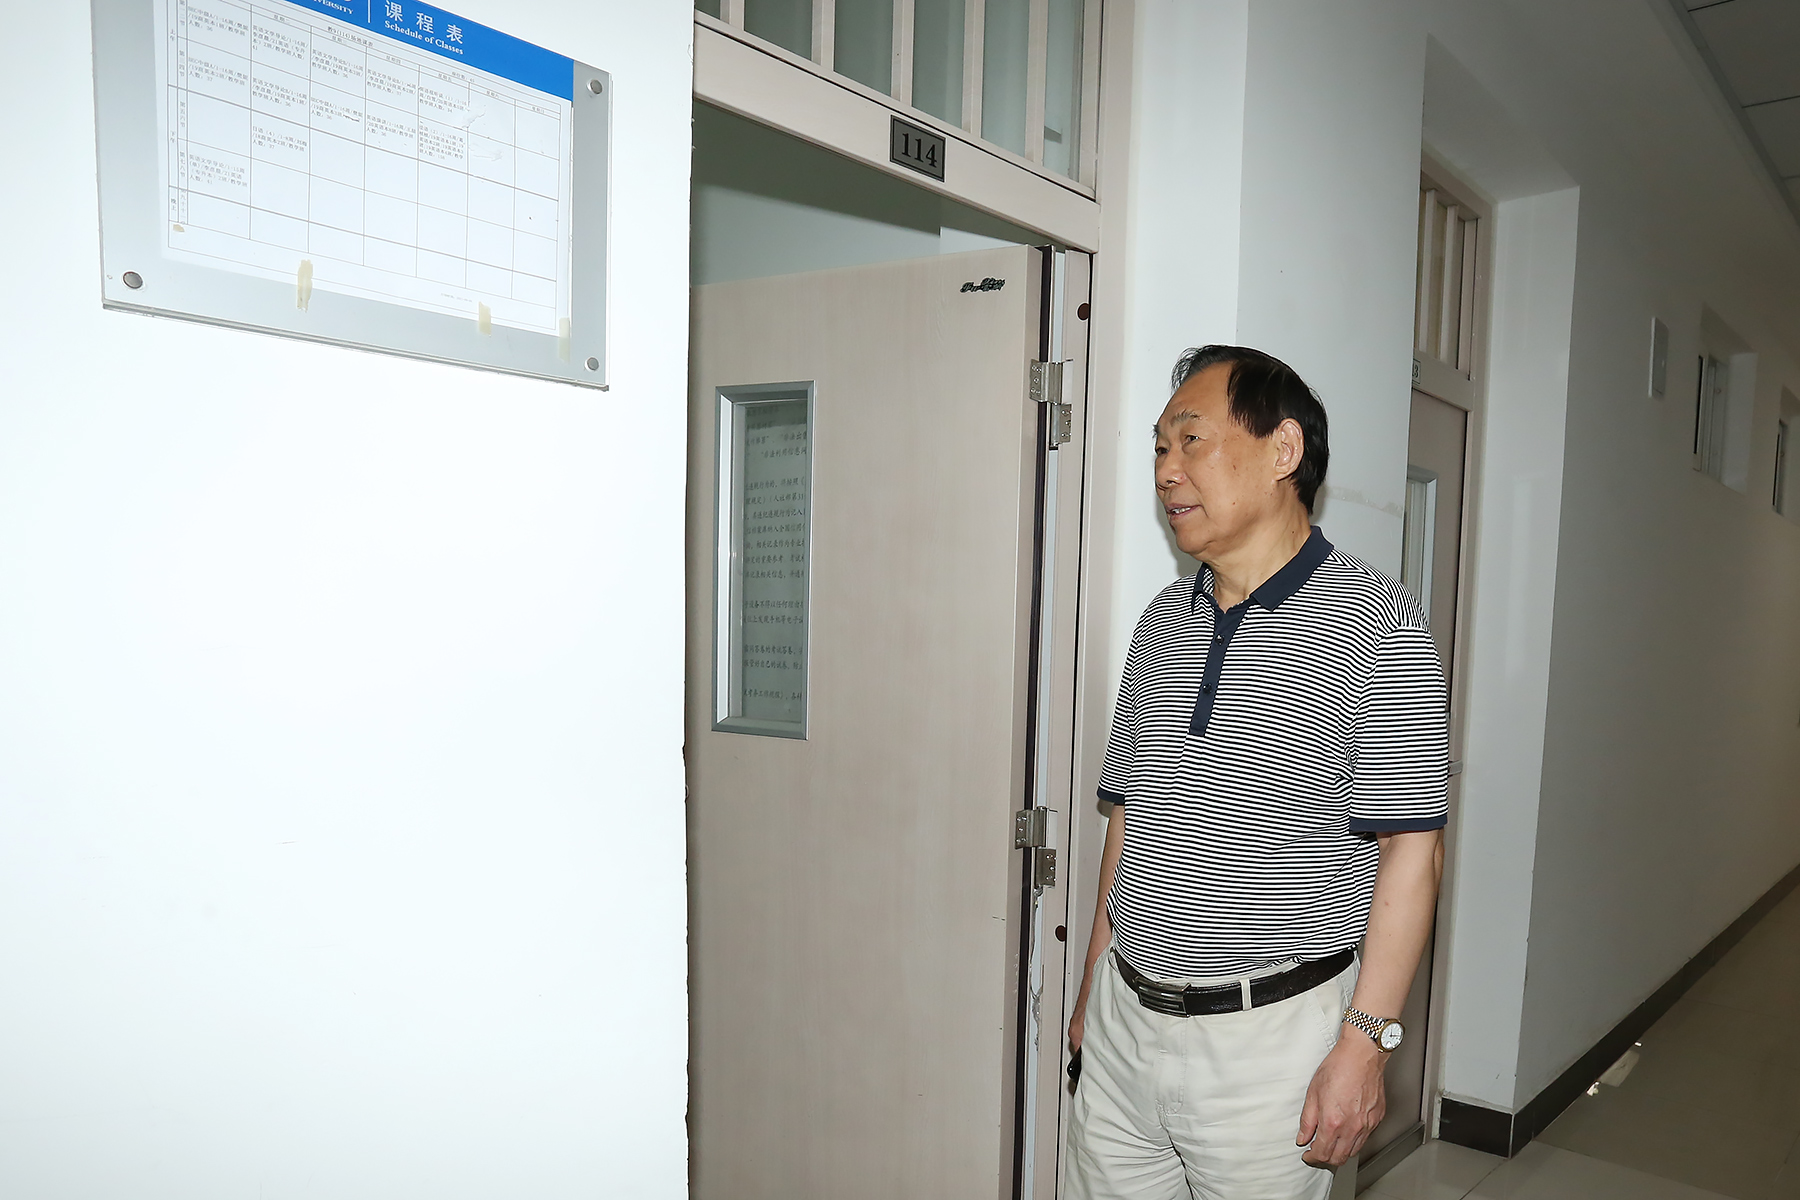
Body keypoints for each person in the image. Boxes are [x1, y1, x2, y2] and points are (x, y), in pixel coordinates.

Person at [1065, 345, 1448, 1200]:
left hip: (1271, 1049)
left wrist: (1364, 1047)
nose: (1166, 470)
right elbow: (1129, 822)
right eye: (1160, 447)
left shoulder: (1378, 624)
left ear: (1283, 450)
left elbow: (1413, 854)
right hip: (1126, 1020)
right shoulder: (1162, 621)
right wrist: (1092, 989)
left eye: (1191, 439)